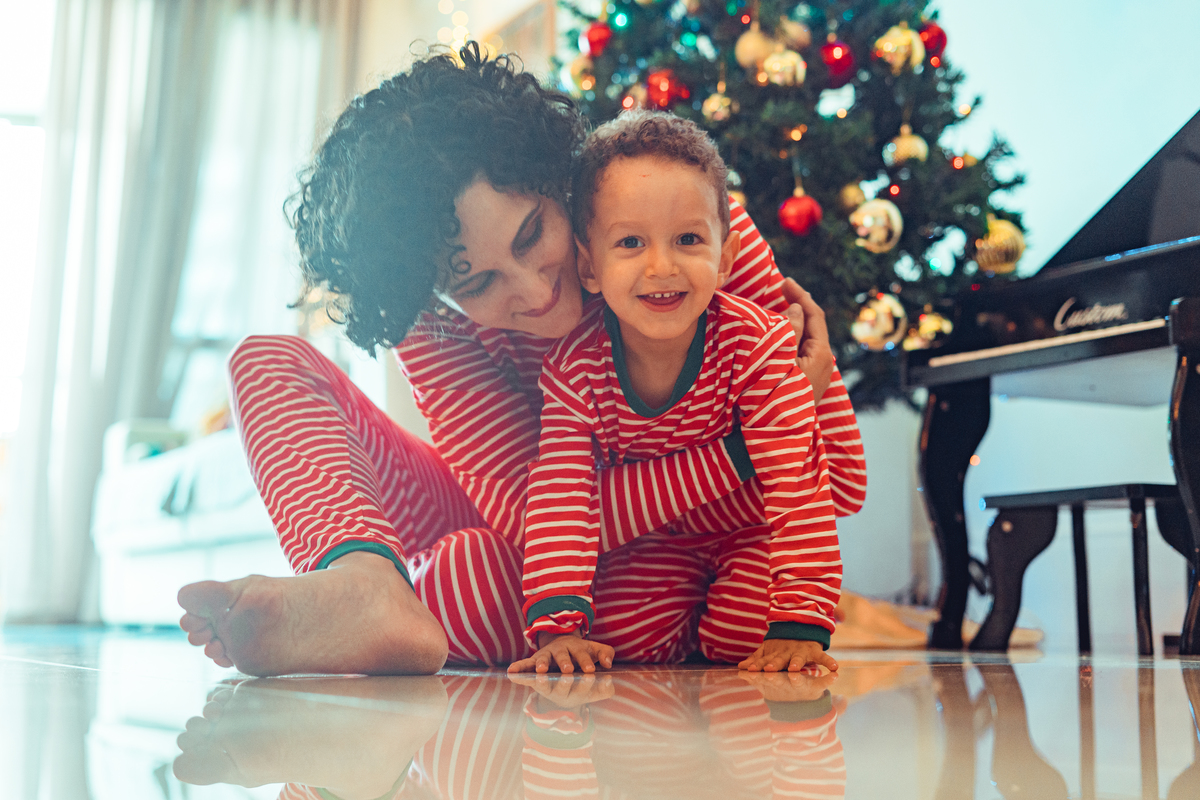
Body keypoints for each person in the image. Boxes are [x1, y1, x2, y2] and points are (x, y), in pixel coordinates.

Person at [176, 43, 865, 677]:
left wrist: (793, 411)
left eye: (533, 233)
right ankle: (365, 583)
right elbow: (532, 518)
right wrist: (738, 449)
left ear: (553, 178)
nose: (535, 292)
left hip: (675, 561)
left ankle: (432, 603)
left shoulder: (671, 231)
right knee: (266, 362)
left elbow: (833, 483)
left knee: (470, 575)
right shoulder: (432, 323)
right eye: (477, 283)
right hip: (550, 554)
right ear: (433, 291)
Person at [511, 111, 841, 677]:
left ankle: (746, 625)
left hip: (747, 532)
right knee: (627, 639)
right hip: (654, 546)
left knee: (744, 631)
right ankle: (685, 636)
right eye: (630, 242)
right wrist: (560, 628)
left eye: (688, 239)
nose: (662, 267)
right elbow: (562, 494)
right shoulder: (573, 371)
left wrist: (800, 622)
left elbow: (798, 479)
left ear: (725, 258)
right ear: (589, 267)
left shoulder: (757, 347)